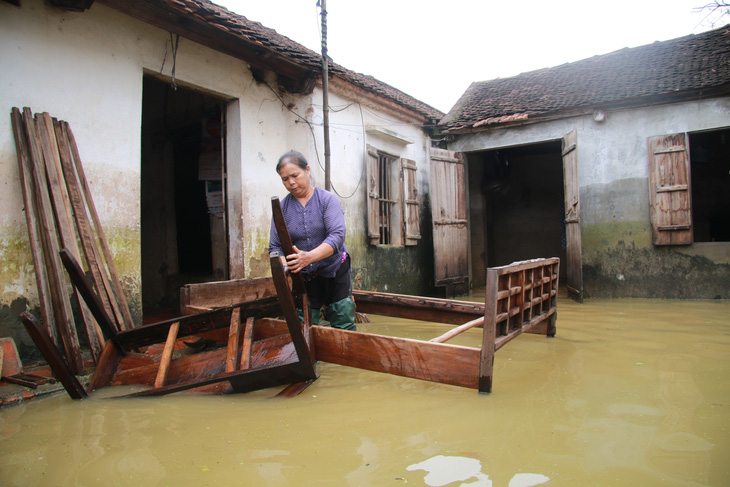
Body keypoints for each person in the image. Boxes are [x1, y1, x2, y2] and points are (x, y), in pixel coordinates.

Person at [269, 151, 356, 331]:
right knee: (305, 325)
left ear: (307, 170)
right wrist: (285, 265)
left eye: (295, 175)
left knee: (343, 320)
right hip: (304, 275)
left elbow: (337, 236)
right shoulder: (282, 209)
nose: (291, 183)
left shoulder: (326, 200)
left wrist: (308, 257)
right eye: (285, 179)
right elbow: (275, 246)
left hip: (334, 269)